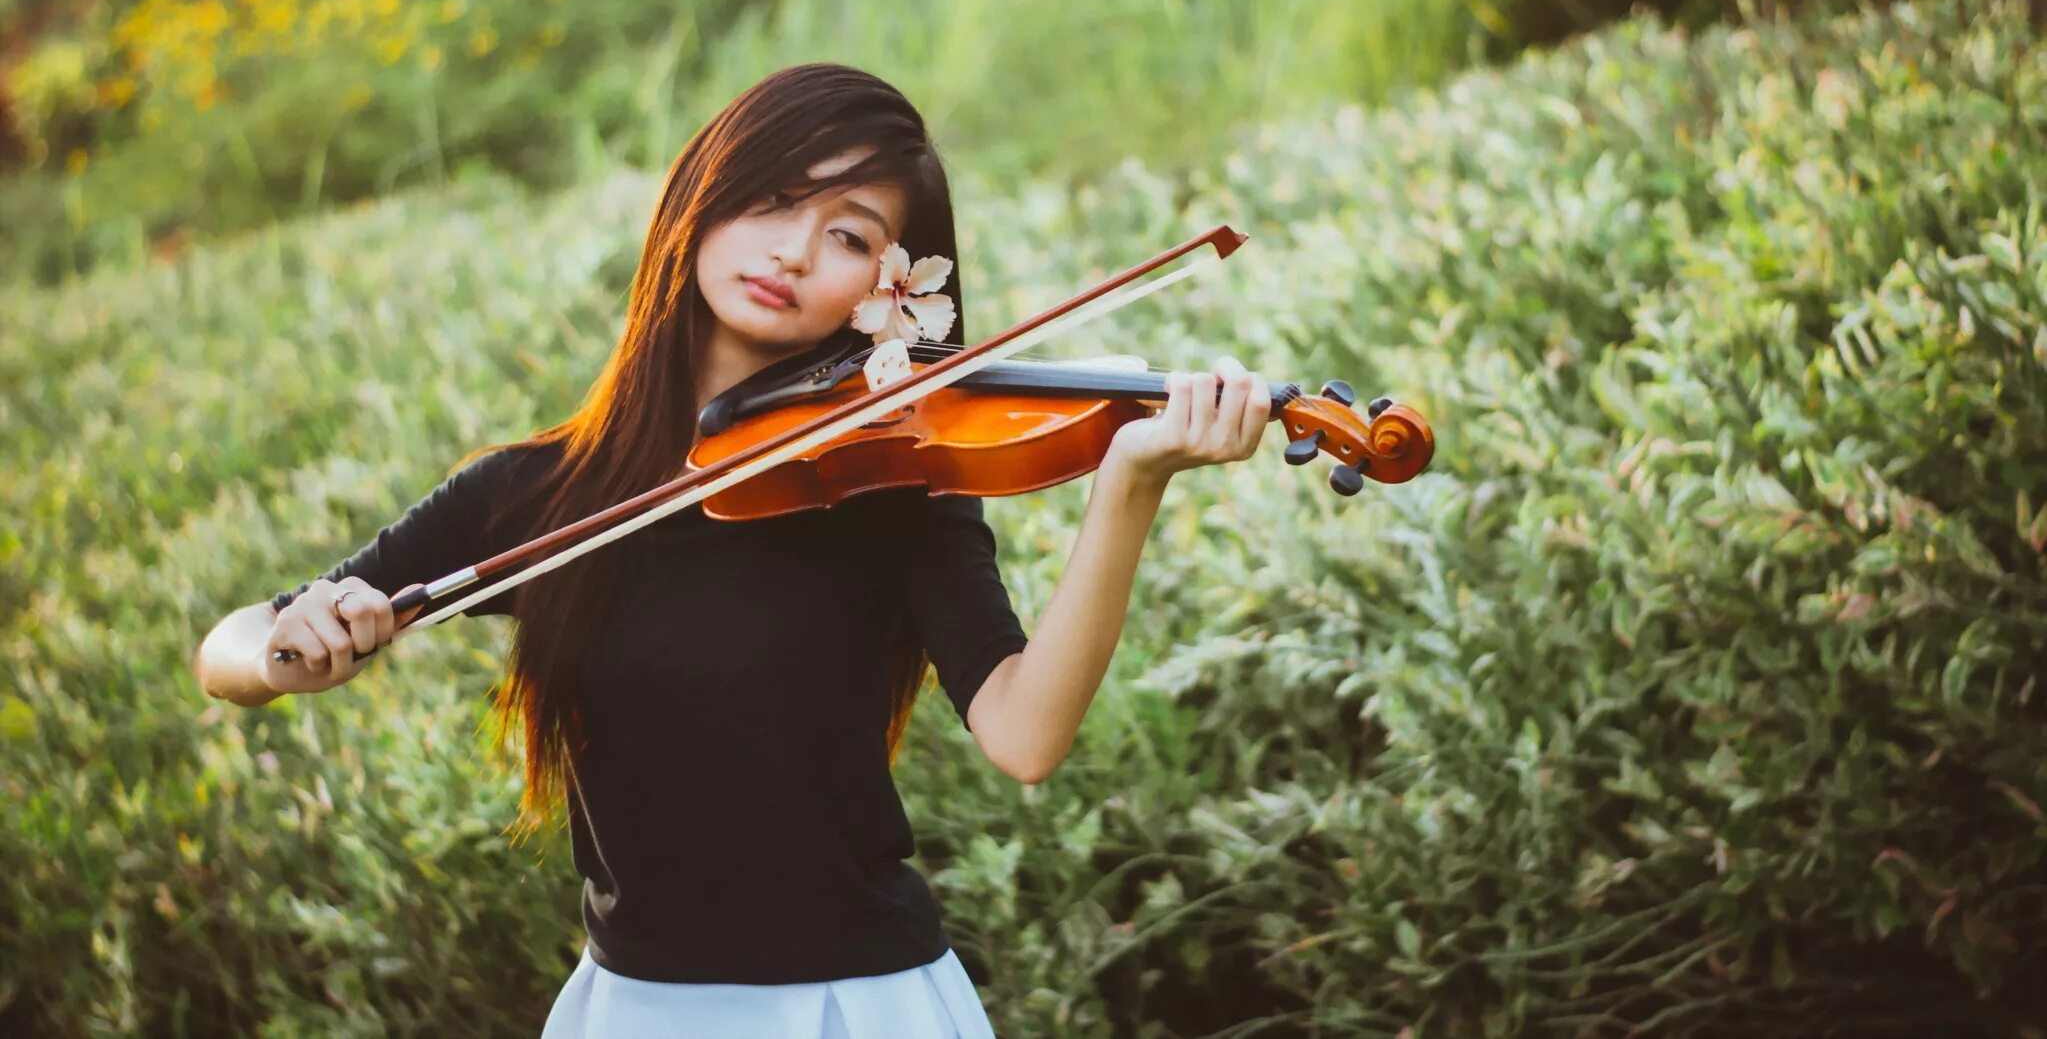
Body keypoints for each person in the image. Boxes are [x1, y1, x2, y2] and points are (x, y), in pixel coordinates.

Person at [194, 62, 1272, 1037]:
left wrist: (1129, 480)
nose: (795, 250)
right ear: (698, 204)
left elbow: (1027, 734)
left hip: (854, 1006)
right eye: (771, 199)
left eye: (849, 235)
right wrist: (289, 646)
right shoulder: (534, 493)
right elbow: (231, 650)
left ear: (889, 295)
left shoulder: (892, 484)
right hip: (635, 1007)